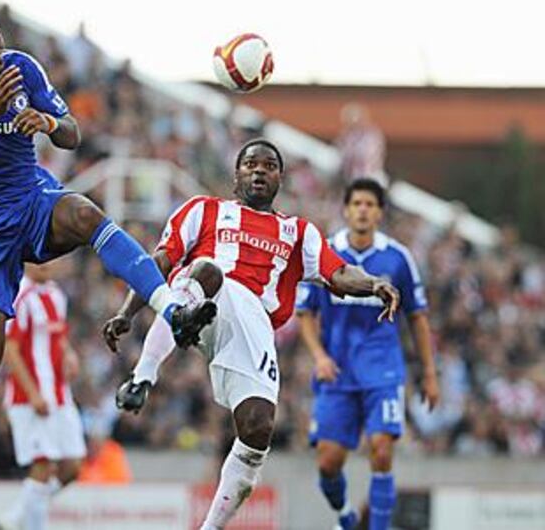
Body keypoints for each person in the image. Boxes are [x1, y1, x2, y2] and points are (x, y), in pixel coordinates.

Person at [0, 1, 215, 477]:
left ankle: (171, 310)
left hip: (31, 200)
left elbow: (72, 133)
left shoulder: (21, 67)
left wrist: (48, 123)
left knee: (84, 212)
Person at [102, 140, 401, 530]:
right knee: (207, 271)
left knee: (258, 429)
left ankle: (210, 527)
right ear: (236, 174)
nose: (259, 170)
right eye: (250, 164)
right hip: (201, 293)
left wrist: (374, 283)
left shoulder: (298, 232)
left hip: (253, 325)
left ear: (280, 177)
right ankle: (142, 377)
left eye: (269, 165)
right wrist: (127, 313)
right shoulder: (203, 210)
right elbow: (157, 262)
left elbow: (338, 274)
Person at [295, 178, 440, 530]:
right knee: (328, 463)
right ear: (346, 210)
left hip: (382, 370)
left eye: (369, 205)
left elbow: (417, 317)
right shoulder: (325, 254)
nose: (362, 210)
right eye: (356, 203)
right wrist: (319, 357)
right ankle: (346, 516)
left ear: (379, 213)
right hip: (338, 372)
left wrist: (429, 374)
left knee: (382, 449)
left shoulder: (398, 258)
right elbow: (305, 314)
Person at [0, 263, 85, 530]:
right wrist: (33, 394)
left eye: (49, 256)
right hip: (30, 399)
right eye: (37, 258)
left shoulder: (56, 294)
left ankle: (16, 515)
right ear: (24, 261)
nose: (45, 263)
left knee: (73, 467)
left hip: (59, 394)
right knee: (42, 467)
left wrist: (69, 354)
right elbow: (9, 351)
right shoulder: (20, 297)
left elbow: (57, 336)